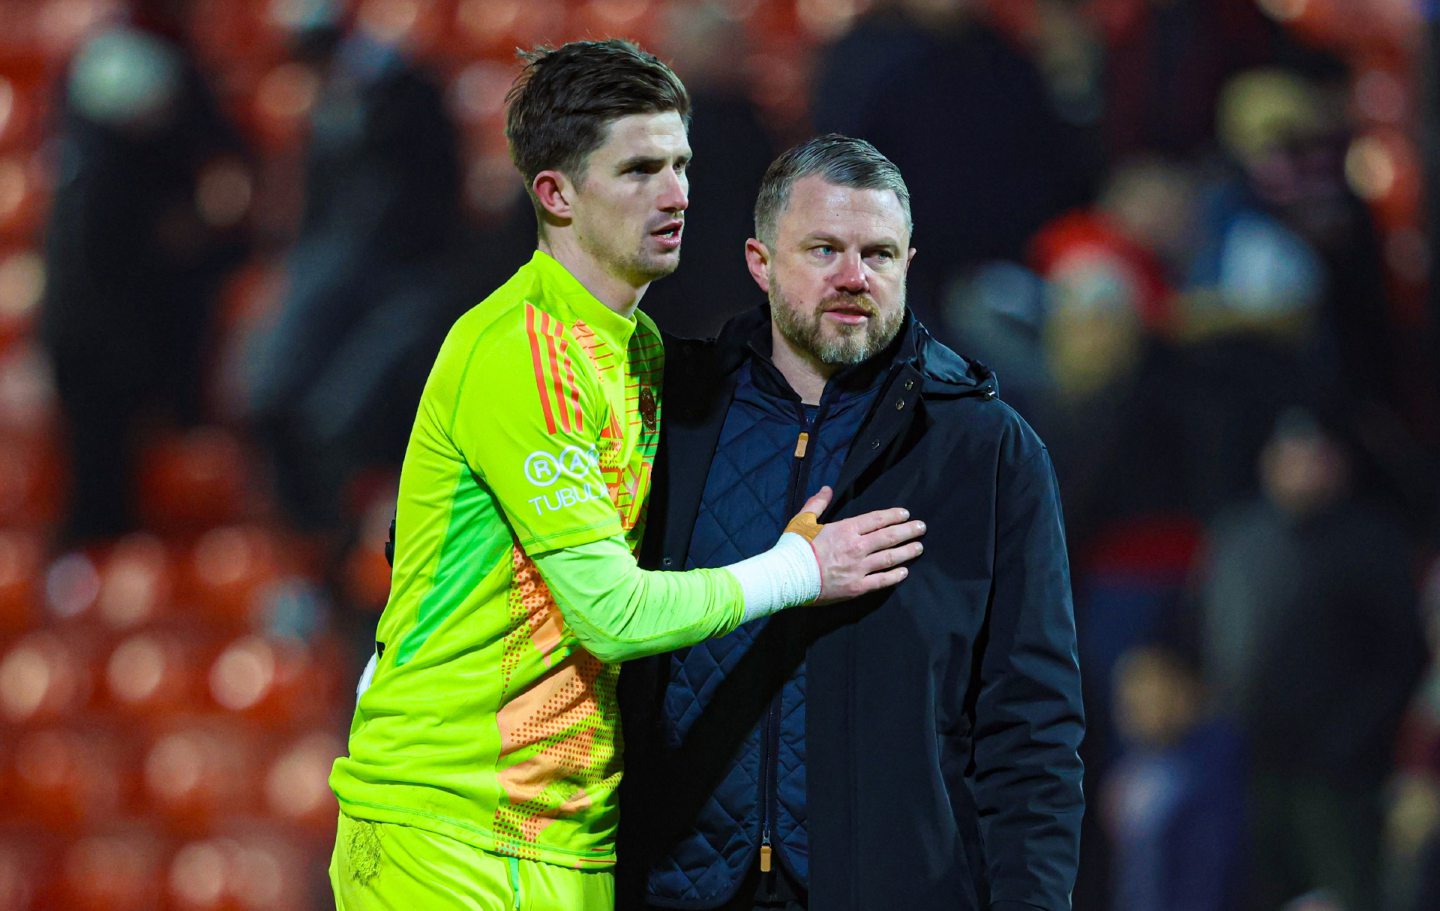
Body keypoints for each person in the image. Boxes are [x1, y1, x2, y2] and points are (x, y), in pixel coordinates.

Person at [326, 43, 926, 911]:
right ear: (556, 194)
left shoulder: (638, 352)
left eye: (680, 163)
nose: (677, 193)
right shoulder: (518, 353)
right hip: (446, 827)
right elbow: (609, 612)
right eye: (640, 168)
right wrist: (802, 570)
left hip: (569, 839)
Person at [616, 135, 1085, 911]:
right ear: (760, 262)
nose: (854, 278)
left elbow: (1031, 726)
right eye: (824, 249)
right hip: (678, 888)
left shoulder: (986, 449)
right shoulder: (667, 412)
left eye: (879, 254)